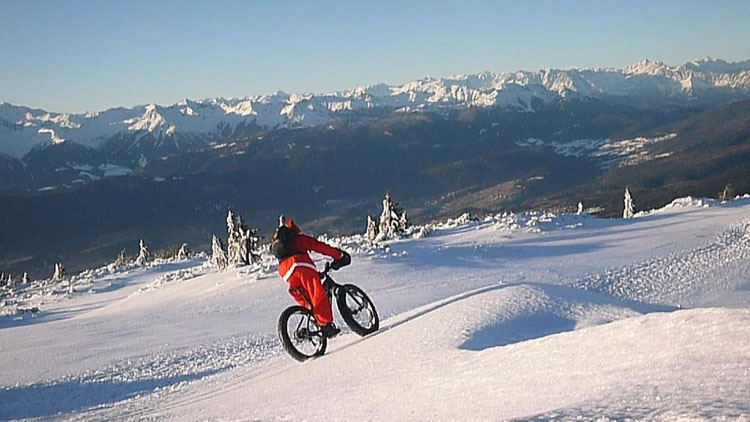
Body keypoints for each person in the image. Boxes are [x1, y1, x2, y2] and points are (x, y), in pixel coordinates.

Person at [271, 218, 351, 338]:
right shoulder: (298, 238)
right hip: (299, 263)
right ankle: (326, 325)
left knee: (308, 301)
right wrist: (339, 255)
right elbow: (319, 247)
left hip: (285, 272)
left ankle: (311, 321)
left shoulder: (284, 246)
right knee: (317, 294)